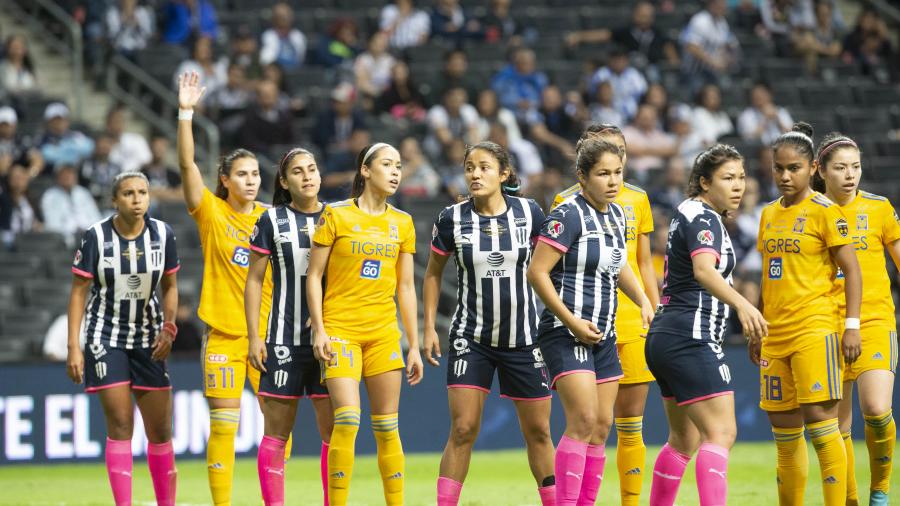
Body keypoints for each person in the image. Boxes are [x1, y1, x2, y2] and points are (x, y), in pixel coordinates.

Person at [423, 142, 555, 506]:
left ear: (504, 173)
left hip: (524, 338)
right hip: (471, 338)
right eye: (469, 167)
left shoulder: (530, 213)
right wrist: (429, 327)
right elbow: (432, 274)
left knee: (539, 431)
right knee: (463, 429)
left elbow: (550, 265)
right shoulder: (451, 218)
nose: (475, 174)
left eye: (484, 167)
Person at [528, 138, 654, 506]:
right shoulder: (567, 214)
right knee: (583, 420)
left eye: (618, 173)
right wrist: (571, 322)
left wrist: (644, 300)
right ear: (582, 177)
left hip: (603, 333)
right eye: (603, 174)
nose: (613, 181)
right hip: (565, 333)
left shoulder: (616, 215)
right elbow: (537, 272)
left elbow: (619, 264)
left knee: (601, 427)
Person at [645, 144, 767, 506]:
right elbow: (703, 270)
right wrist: (744, 305)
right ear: (704, 182)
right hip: (690, 336)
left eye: (741, 177)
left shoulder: (690, 211)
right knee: (721, 432)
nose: (738, 186)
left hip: (668, 334)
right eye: (728, 178)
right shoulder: (703, 217)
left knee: (683, 440)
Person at [750, 122, 862, 506]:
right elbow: (769, 275)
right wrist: (758, 325)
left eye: (793, 168)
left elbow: (853, 271)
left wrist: (851, 326)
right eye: (778, 168)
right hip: (774, 334)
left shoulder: (826, 212)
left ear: (812, 168)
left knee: (822, 426)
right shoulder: (767, 214)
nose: (785, 176)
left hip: (815, 329)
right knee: (784, 434)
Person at [176, 71, 274, 506]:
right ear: (225, 179)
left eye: (255, 174)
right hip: (223, 335)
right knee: (223, 426)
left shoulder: (273, 218)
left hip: (268, 336)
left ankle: (274, 499)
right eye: (242, 174)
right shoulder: (211, 213)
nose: (251, 180)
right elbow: (186, 166)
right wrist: (186, 114)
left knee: (278, 428)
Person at [307, 142, 423, 506]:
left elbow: (406, 287)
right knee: (347, 420)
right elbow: (314, 276)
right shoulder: (336, 215)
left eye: (398, 166)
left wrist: (414, 345)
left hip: (383, 333)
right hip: (340, 331)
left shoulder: (402, 223)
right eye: (387, 164)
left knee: (387, 426)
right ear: (365, 170)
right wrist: (319, 329)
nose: (395, 172)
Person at [65, 172, 179, 506]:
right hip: (106, 336)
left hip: (149, 337)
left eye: (142, 192)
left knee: (160, 431)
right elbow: (78, 292)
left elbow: (170, 286)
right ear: (115, 200)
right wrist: (74, 347)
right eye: (128, 193)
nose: (137, 199)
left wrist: (169, 327)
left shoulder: (163, 234)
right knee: (120, 424)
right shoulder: (96, 236)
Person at [811, 133, 897, 506]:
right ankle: (849, 500)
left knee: (877, 409)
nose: (850, 175)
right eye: (841, 168)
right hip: (825, 325)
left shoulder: (878, 208)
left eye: (856, 167)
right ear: (821, 171)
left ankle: (880, 492)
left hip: (874, 321)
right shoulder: (808, 211)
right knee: (838, 426)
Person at [245, 148, 333, 506]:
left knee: (334, 433)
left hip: (329, 341)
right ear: (284, 181)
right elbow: (254, 280)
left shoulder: (338, 216)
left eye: (312, 169)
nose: (307, 176)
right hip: (283, 338)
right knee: (276, 434)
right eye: (298, 171)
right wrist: (254, 336)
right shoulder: (270, 220)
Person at [41, 164, 102, 248]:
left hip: (87, 234)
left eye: (71, 174)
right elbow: (52, 223)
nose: (68, 177)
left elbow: (95, 217)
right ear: (58, 177)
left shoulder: (83, 193)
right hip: (64, 238)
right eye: (64, 175)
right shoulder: (50, 196)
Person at [259, 2, 307, 70]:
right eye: (280, 16)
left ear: (291, 17)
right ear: (274, 18)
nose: (284, 19)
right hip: (275, 71)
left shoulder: (298, 36)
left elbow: (300, 58)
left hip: (296, 71)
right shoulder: (268, 35)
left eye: (287, 16)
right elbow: (266, 60)